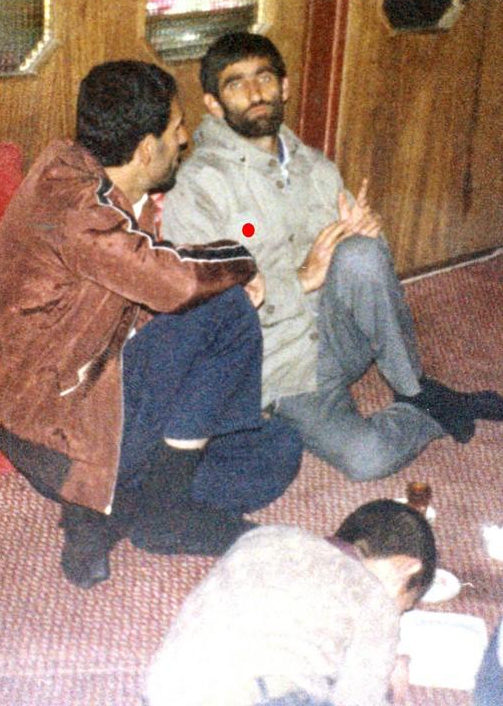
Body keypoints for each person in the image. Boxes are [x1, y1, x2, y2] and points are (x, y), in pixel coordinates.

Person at [0, 60, 302, 590]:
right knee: (225, 309)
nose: (185, 138)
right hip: (55, 428)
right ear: (147, 148)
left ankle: (111, 512)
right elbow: (172, 283)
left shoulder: (79, 171)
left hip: (84, 388)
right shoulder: (77, 208)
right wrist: (238, 261)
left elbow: (140, 283)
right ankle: (161, 509)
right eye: (177, 127)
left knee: (277, 447)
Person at [161, 31, 503, 481]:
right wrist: (300, 278)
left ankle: (413, 388)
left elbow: (364, 275)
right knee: (366, 459)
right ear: (213, 104)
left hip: (342, 335)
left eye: (265, 77)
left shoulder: (317, 168)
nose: (255, 92)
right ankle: (437, 412)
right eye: (236, 83)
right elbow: (204, 308)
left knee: (362, 253)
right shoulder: (197, 188)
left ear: (284, 87)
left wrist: (366, 235)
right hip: (279, 365)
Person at [144, 498, 436, 706]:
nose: (397, 614)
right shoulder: (374, 596)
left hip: (166, 688)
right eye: (403, 605)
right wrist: (393, 689)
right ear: (406, 567)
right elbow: (359, 697)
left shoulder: (262, 537)